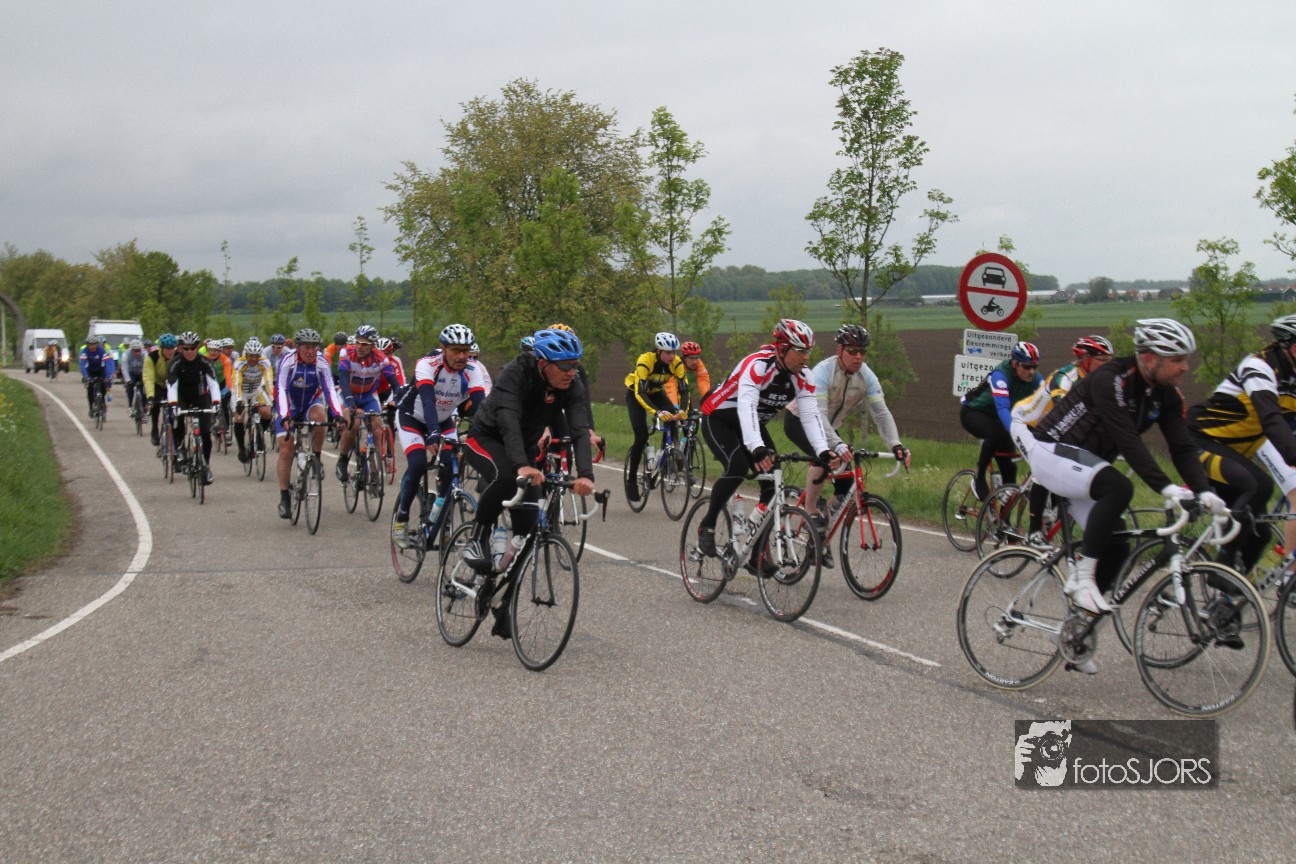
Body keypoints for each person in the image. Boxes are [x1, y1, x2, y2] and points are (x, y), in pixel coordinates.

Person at [1020, 319, 1225, 641]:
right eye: (1177, 360)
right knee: (1119, 487)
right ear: (1149, 358)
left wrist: (1204, 491)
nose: (1186, 367)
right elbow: (1127, 439)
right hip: (1052, 451)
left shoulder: (1167, 396)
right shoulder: (1111, 379)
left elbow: (1183, 447)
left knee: (1117, 547)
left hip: (1086, 468)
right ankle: (1082, 577)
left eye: (1186, 359)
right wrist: (1166, 487)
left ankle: (1077, 634)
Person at [461, 328, 596, 636]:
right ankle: (476, 539)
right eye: (565, 366)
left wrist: (586, 474)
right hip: (487, 437)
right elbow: (508, 420)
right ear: (542, 362)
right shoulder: (516, 372)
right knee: (507, 477)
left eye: (575, 364)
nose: (571, 372)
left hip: (524, 446)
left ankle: (503, 601)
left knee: (528, 530)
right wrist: (522, 465)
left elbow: (579, 429)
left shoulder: (572, 382)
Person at [694, 319, 834, 566]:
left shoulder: (803, 377)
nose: (805, 357)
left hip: (751, 424)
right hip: (718, 418)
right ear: (782, 348)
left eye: (808, 351)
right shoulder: (757, 365)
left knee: (773, 482)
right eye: (799, 350)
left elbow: (810, 416)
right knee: (737, 468)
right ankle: (707, 525)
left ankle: (756, 554)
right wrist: (756, 448)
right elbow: (747, 407)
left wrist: (822, 450)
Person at [1188, 314, 1296, 575]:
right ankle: (1221, 569)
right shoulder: (1260, 367)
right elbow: (1271, 420)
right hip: (1199, 440)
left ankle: (1235, 592)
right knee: (1258, 485)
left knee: (1259, 535)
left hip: (1234, 453)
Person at [784, 324, 909, 544]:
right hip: (801, 421)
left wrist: (895, 444)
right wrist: (836, 445)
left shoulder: (866, 376)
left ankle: (821, 533)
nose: (858, 356)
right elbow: (819, 415)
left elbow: (881, 413)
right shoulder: (823, 372)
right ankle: (811, 511)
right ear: (839, 350)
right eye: (852, 351)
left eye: (862, 352)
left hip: (830, 427)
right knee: (825, 458)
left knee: (847, 487)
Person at [1010, 335, 1115, 543]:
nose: (1107, 365)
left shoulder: (1098, 380)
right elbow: (1066, 413)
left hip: (1053, 429)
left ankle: (1057, 516)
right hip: (1026, 424)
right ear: (1086, 360)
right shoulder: (1064, 378)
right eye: (1102, 361)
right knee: (1044, 470)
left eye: (1109, 361)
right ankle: (1034, 532)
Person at [391, 324, 489, 545]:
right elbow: (427, 401)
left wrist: (489, 432)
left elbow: (480, 406)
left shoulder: (472, 370)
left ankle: (441, 518)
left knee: (451, 467)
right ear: (443, 348)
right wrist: (433, 431)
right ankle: (402, 518)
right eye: (456, 350)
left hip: (444, 420)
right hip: (412, 417)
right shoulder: (427, 364)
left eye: (466, 350)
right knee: (417, 463)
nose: (461, 356)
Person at [275, 328, 346, 518]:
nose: (310, 351)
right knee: (286, 449)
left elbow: (330, 390)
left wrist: (337, 415)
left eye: (314, 347)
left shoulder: (321, 362)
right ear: (298, 347)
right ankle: (284, 496)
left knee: (320, 418)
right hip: (289, 405)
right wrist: (285, 416)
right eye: (306, 347)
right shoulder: (288, 361)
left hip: (309, 403)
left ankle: (316, 457)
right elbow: (281, 388)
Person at [960, 341, 1043, 500]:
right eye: (1026, 367)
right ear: (1014, 364)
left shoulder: (1035, 379)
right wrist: (1018, 434)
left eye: (1034, 367)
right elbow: (1003, 408)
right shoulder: (1001, 375)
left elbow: (1046, 402)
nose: (1031, 371)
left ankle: (1003, 514)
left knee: (1010, 470)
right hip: (974, 412)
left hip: (1000, 420)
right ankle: (979, 477)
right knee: (995, 433)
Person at [623, 332, 690, 503]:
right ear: (659, 351)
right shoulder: (646, 360)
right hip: (636, 395)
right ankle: (631, 481)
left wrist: (683, 410)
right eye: (668, 352)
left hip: (656, 393)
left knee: (673, 419)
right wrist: (657, 412)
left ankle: (663, 460)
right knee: (641, 436)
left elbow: (684, 390)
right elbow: (640, 392)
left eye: (674, 352)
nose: (672, 356)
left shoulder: (676, 363)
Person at [335, 325, 401, 483]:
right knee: (354, 424)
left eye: (364, 344)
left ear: (372, 345)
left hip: (368, 396)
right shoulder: (346, 353)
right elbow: (343, 381)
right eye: (358, 342)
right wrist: (351, 405)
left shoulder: (381, 358)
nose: (359, 346)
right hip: (348, 394)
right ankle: (343, 459)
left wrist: (396, 400)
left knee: (377, 428)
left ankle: (373, 468)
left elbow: (395, 384)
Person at [165, 331, 222, 485]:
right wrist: (173, 404)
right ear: (181, 348)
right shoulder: (175, 363)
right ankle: (180, 447)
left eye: (192, 348)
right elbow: (172, 386)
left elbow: (213, 384)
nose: (189, 352)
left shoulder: (205, 362)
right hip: (182, 396)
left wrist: (216, 402)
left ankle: (206, 466)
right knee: (177, 420)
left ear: (198, 348)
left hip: (201, 397)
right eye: (186, 348)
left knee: (205, 432)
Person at [231, 337, 276, 463]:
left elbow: (268, 381)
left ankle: (258, 436)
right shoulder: (239, 364)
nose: (254, 359)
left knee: (267, 413)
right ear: (246, 354)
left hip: (256, 391)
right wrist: (239, 400)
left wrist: (273, 399)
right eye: (251, 356)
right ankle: (241, 448)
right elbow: (236, 383)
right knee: (239, 417)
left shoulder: (265, 363)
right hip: (241, 393)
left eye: (257, 356)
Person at [143, 334, 178, 445]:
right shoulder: (152, 357)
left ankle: (174, 435)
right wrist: (150, 397)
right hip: (156, 384)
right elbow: (148, 378)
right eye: (167, 349)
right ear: (161, 348)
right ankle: (154, 428)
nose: (170, 351)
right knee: (155, 405)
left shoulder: (178, 357)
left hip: (172, 385)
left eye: (172, 348)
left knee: (174, 410)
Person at [664, 341, 711, 407]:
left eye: (696, 358)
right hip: (664, 390)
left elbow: (704, 382)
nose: (694, 362)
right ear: (684, 358)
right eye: (691, 358)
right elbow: (670, 386)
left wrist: (708, 401)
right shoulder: (675, 365)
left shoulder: (699, 364)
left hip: (683, 391)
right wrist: (674, 404)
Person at [78, 335, 116, 417]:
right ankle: (91, 408)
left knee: (104, 385)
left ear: (97, 344)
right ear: (88, 345)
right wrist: (86, 376)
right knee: (90, 389)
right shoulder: (85, 351)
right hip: (90, 371)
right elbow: (83, 365)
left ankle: (103, 402)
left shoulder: (101, 350)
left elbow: (107, 363)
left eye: (94, 344)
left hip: (100, 370)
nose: (92, 346)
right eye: (90, 345)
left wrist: (108, 376)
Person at [120, 339, 147, 415]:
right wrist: (127, 379)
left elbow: (148, 368)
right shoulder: (126, 354)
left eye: (139, 350)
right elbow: (124, 367)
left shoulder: (145, 354)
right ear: (131, 350)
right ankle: (130, 406)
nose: (137, 353)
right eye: (135, 351)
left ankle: (144, 409)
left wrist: (146, 379)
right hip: (131, 373)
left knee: (144, 389)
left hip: (142, 372)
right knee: (129, 386)